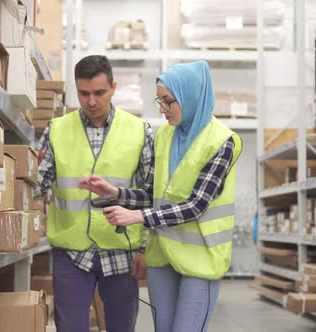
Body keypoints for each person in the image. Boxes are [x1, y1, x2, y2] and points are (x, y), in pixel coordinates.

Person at [79, 60, 242, 332]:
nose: (162, 109)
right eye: (160, 101)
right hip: (162, 257)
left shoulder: (222, 141)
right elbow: (153, 194)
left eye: (168, 102)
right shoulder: (165, 136)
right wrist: (116, 193)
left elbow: (196, 206)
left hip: (200, 260)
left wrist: (138, 217)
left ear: (190, 97)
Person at [33, 55, 154, 332]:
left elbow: (151, 195)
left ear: (113, 87)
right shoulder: (57, 129)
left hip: (122, 250)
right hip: (71, 250)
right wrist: (26, 166)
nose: (91, 101)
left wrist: (145, 248)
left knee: (121, 327)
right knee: (71, 327)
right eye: (84, 93)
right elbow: (36, 187)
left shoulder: (138, 131)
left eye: (99, 93)